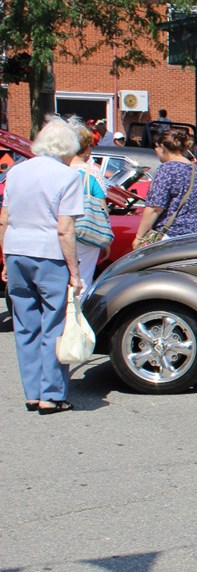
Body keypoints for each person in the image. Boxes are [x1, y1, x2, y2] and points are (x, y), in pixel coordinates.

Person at [0, 118, 85, 414]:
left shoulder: (17, 172)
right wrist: (75, 272)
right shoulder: (68, 176)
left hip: (16, 250)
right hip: (48, 254)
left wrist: (5, 257)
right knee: (54, 325)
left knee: (25, 326)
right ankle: (51, 394)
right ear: (67, 146)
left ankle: (32, 392)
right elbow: (65, 228)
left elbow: (4, 218)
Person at [134, 129, 197, 244]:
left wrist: (139, 237)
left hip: (174, 235)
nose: (155, 150)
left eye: (156, 147)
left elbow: (155, 208)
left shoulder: (167, 169)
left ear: (162, 147)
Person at [68, 121, 110, 286]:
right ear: (86, 147)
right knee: (83, 277)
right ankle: (76, 311)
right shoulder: (91, 171)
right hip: (84, 230)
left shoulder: (59, 169)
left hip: (57, 230)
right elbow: (102, 206)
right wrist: (105, 236)